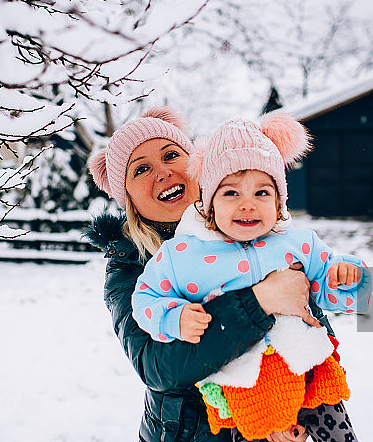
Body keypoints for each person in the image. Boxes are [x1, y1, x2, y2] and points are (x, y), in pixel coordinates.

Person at [86, 107, 345, 442]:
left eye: (171, 155)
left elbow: (307, 324)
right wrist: (259, 301)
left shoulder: (254, 228)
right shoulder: (129, 267)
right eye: (142, 169)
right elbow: (158, 367)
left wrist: (296, 409)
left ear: (195, 164)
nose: (162, 172)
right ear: (128, 197)